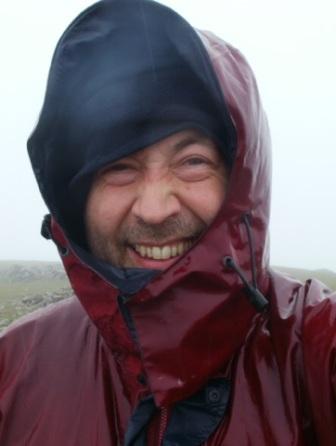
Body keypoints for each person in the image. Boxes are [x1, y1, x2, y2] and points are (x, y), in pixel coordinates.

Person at [0, 0, 335, 444]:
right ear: (76, 193)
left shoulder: (309, 349)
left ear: (242, 179)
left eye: (192, 161)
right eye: (119, 167)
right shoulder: (15, 366)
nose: (154, 208)